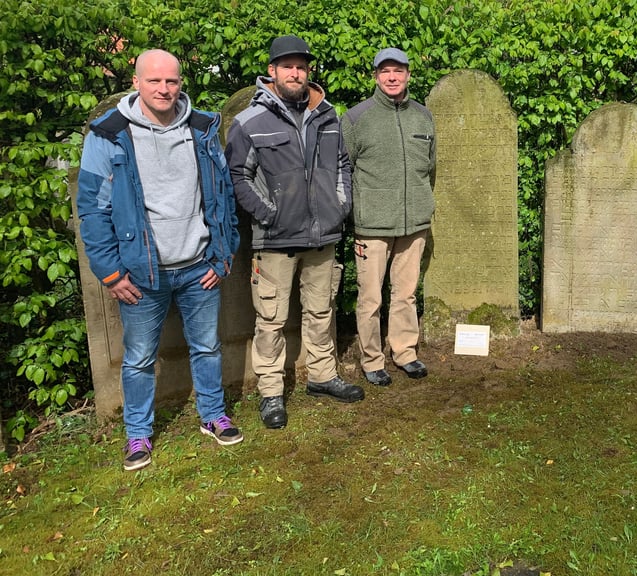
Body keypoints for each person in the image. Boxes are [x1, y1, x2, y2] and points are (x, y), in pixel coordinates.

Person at [77, 49, 243, 471]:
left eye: (171, 81)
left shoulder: (203, 127)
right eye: (154, 81)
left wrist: (223, 256)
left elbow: (223, 195)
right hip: (140, 273)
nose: (164, 89)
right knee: (138, 359)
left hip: (198, 265)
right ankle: (137, 435)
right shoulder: (109, 133)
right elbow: (92, 209)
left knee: (207, 347)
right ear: (137, 83)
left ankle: (213, 416)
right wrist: (111, 273)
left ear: (180, 82)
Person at [226, 35, 363, 430]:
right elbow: (238, 175)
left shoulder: (328, 116)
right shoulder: (251, 121)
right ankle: (271, 393)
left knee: (322, 310)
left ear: (308, 72)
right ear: (271, 71)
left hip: (323, 235)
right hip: (275, 240)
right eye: (287, 66)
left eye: (301, 66)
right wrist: (268, 213)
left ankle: (322, 376)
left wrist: (340, 204)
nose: (295, 72)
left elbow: (342, 167)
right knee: (270, 318)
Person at [341, 47, 435, 387]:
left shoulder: (423, 116)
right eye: (385, 72)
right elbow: (342, 170)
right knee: (370, 297)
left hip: (415, 224)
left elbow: (430, 168)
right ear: (376, 76)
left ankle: (405, 352)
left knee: (406, 293)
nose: (392, 77)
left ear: (409, 74)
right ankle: (371, 359)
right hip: (372, 226)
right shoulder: (355, 119)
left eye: (398, 71)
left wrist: (422, 203)